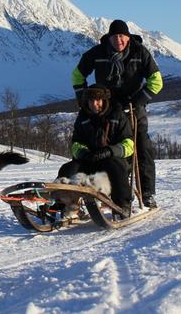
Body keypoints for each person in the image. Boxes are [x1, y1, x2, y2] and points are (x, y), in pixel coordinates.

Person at [72, 19, 163, 208]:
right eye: (115, 37)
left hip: (133, 107)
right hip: (104, 108)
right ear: (109, 38)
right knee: (98, 147)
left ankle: (147, 193)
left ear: (128, 38)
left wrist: (137, 101)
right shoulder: (97, 53)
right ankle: (91, 190)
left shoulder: (140, 52)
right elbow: (77, 75)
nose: (119, 40)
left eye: (122, 36)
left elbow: (156, 80)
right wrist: (84, 99)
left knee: (142, 146)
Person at [57, 84, 135, 214]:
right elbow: (76, 143)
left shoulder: (118, 115)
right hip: (89, 160)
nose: (94, 104)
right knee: (68, 168)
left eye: (97, 100)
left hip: (113, 161)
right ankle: (64, 204)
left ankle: (122, 204)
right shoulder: (82, 118)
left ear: (104, 100)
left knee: (115, 166)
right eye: (90, 101)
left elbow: (129, 144)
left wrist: (110, 151)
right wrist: (83, 153)